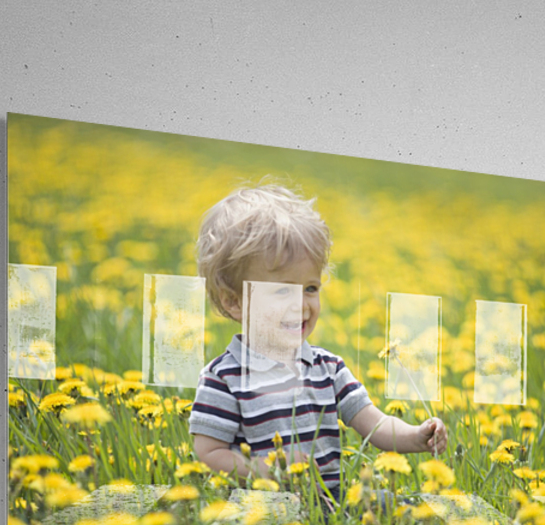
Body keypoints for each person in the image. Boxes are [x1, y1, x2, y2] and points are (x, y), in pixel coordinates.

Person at [189, 183, 447, 501]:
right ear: (235, 302)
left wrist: (416, 436)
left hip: (331, 501)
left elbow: (375, 424)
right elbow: (209, 452)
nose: (301, 304)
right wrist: (265, 470)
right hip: (262, 506)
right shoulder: (224, 379)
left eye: (310, 288)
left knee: (397, 505)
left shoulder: (328, 368)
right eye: (282, 290)